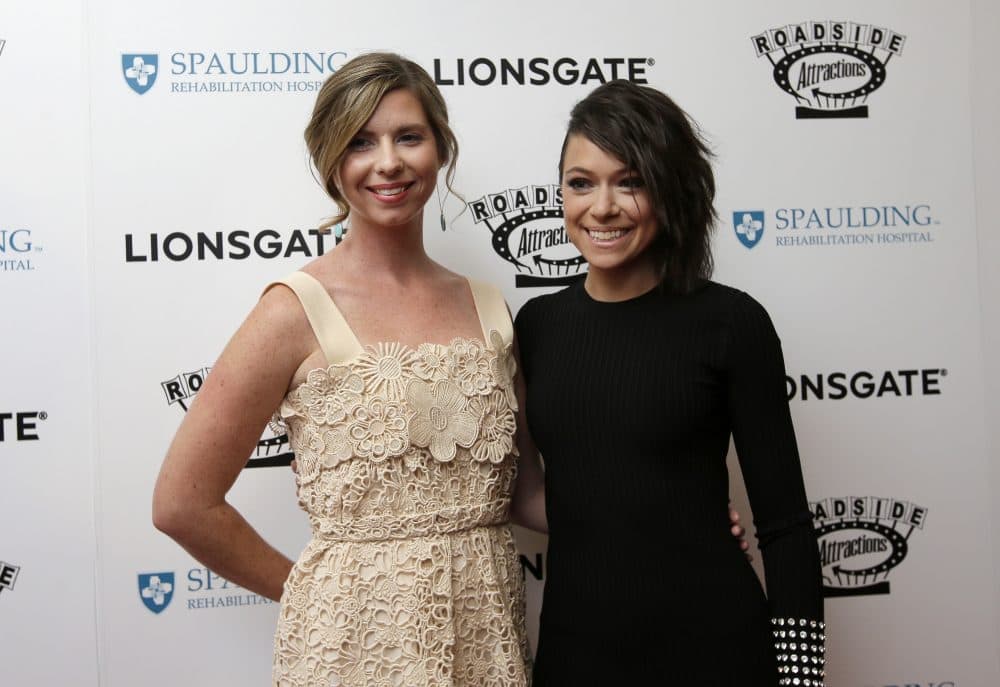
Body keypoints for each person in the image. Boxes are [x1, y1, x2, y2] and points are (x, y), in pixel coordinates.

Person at [152, 52, 532, 686]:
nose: (388, 162)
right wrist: (316, 594)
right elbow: (181, 503)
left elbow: (523, 491)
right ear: (332, 161)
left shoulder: (489, 304)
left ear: (440, 148)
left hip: (488, 641)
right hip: (354, 652)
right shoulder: (291, 309)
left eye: (408, 137)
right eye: (361, 143)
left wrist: (670, 509)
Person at [512, 80, 825, 685]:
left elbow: (785, 525)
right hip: (577, 657)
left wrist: (801, 680)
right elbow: (540, 494)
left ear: (671, 190)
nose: (601, 207)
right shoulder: (537, 325)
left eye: (630, 181)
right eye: (581, 183)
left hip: (716, 652)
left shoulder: (733, 323)